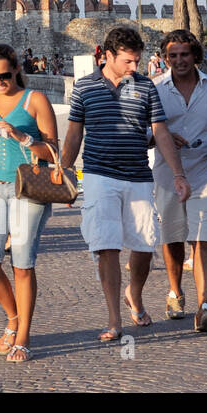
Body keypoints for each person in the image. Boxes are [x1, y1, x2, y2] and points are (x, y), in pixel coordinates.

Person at [60, 26, 188, 342]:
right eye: (128, 61)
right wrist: (63, 171)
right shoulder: (84, 88)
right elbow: (75, 133)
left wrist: (178, 174)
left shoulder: (145, 87)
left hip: (138, 176)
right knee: (106, 246)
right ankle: (114, 318)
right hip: (98, 174)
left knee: (144, 244)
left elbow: (160, 132)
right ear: (108, 55)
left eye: (137, 61)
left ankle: (134, 293)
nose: (135, 67)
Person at [0, 44, 61, 363]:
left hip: (29, 188)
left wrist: (22, 136)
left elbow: (54, 154)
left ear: (17, 68)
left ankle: (23, 336)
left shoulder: (35, 100)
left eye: (4, 75)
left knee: (22, 263)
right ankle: (12, 316)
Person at [151, 29, 207, 333]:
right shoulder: (155, 90)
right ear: (165, 58)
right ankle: (175, 291)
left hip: (206, 169)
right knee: (173, 237)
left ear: (195, 56)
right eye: (173, 55)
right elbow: (142, 132)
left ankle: (205, 305)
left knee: (203, 237)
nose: (179, 61)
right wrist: (160, 137)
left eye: (184, 55)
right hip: (167, 172)